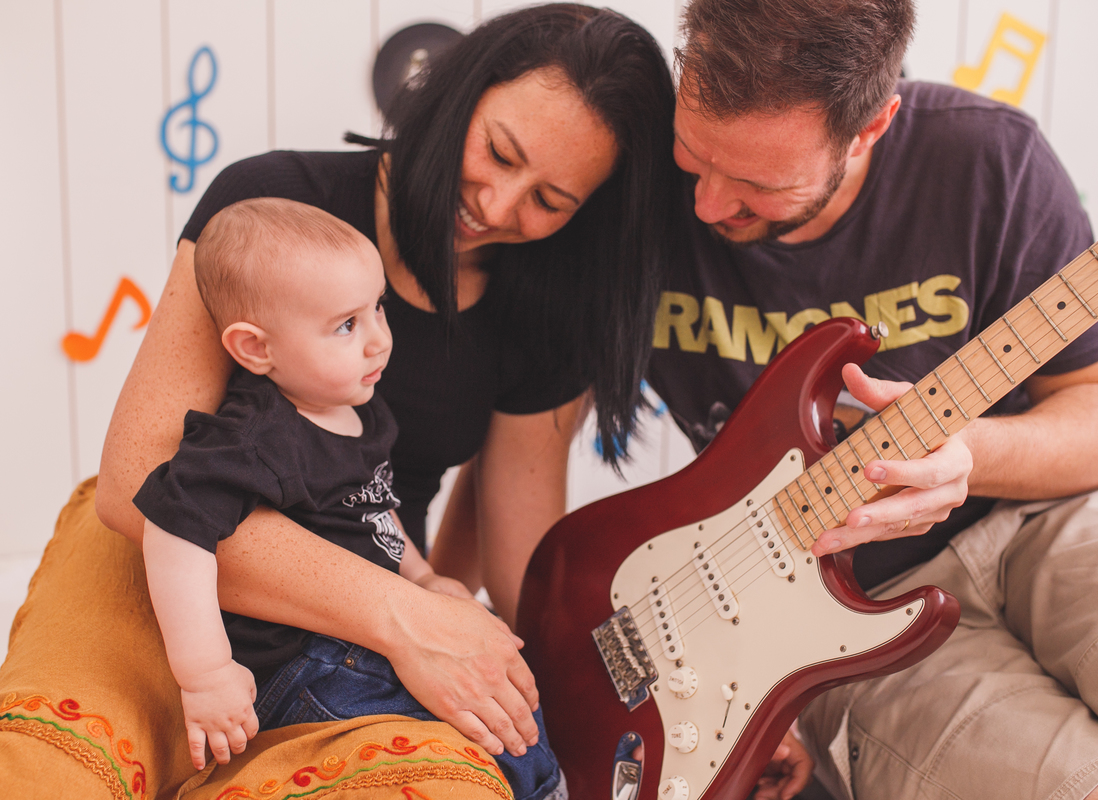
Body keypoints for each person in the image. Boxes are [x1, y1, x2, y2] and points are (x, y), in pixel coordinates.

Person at [95, 2, 680, 768]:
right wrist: (404, 616)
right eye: (499, 153)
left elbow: (518, 565)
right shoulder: (272, 207)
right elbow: (137, 491)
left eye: (549, 201)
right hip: (192, 607)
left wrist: (659, 705)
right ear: (461, 90)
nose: (497, 206)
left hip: (376, 629)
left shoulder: (547, 301)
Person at [645, 0, 1098, 798]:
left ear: (871, 128)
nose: (706, 203)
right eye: (693, 154)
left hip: (1055, 522)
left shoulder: (992, 159)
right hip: (846, 614)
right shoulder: (632, 193)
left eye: (760, 184)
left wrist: (969, 455)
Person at [133, 197, 561, 799]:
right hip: (305, 661)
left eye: (377, 307)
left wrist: (423, 576)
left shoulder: (357, 406)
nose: (379, 340)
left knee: (498, 673)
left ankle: (546, 782)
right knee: (462, 735)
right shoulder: (254, 438)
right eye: (346, 326)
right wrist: (205, 673)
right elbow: (173, 528)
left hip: (364, 639)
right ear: (255, 348)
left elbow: (374, 505)